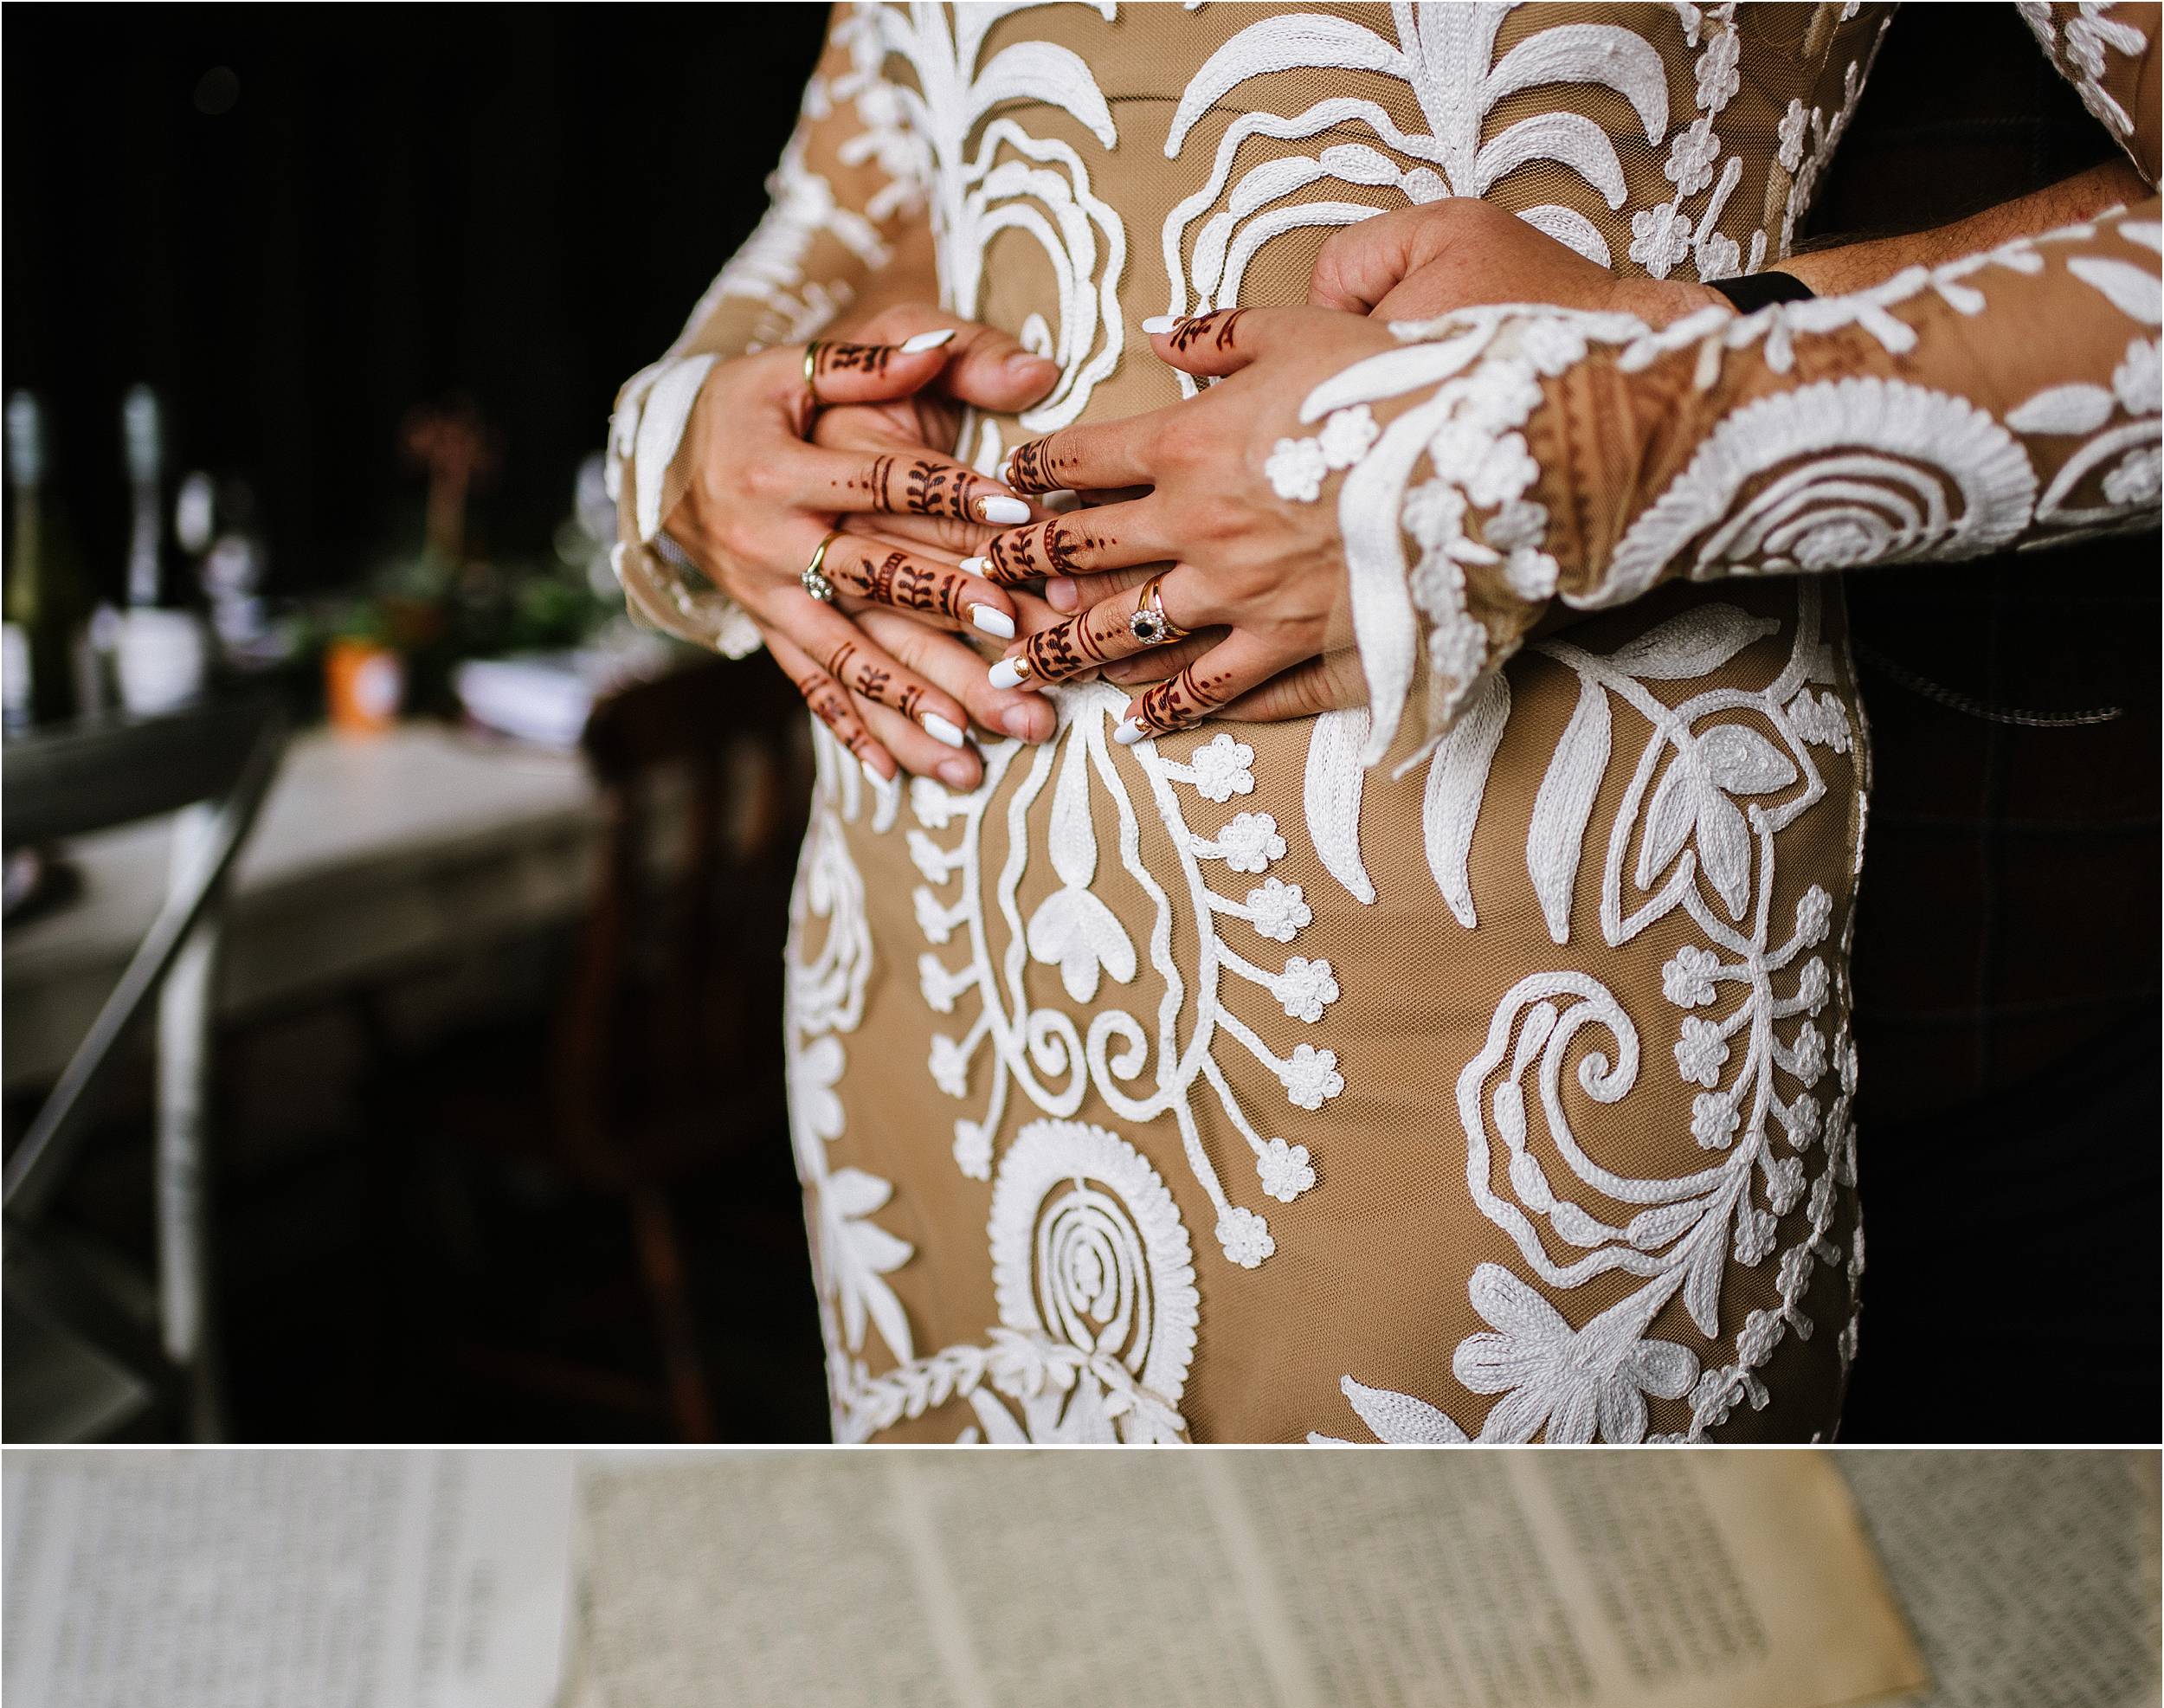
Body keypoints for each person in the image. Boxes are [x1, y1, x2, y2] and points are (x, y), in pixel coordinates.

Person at [607, 7, 2156, 1449]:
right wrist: (699, 433)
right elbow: (847, 206)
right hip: (942, 940)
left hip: (1511, 959)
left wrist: (1595, 425)